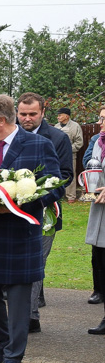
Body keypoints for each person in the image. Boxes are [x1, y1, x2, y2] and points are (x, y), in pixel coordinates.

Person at [0, 94, 63, 363]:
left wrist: (21, 200)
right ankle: (0, 345)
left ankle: (13, 358)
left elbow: (55, 187)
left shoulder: (38, 144)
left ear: (0, 120)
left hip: (20, 234)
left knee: (20, 299)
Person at [17, 92, 74, 331]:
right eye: (23, 114)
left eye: (32, 114)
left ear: (42, 113)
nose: (27, 118)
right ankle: (19, 313)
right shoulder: (11, 136)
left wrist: (36, 196)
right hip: (11, 211)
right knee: (18, 263)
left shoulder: (57, 138)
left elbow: (65, 175)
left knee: (36, 261)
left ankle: (29, 318)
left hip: (45, 211)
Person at [83, 105, 105, 334]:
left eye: (103, 119)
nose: (100, 123)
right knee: (99, 259)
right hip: (99, 208)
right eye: (99, 118)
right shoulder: (98, 143)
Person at [55, 107, 84, 201]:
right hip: (57, 155)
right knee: (56, 174)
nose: (58, 117)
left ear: (66, 116)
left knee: (70, 175)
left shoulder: (75, 126)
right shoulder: (56, 126)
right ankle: (58, 195)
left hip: (70, 155)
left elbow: (79, 142)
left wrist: (67, 149)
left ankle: (71, 196)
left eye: (60, 115)